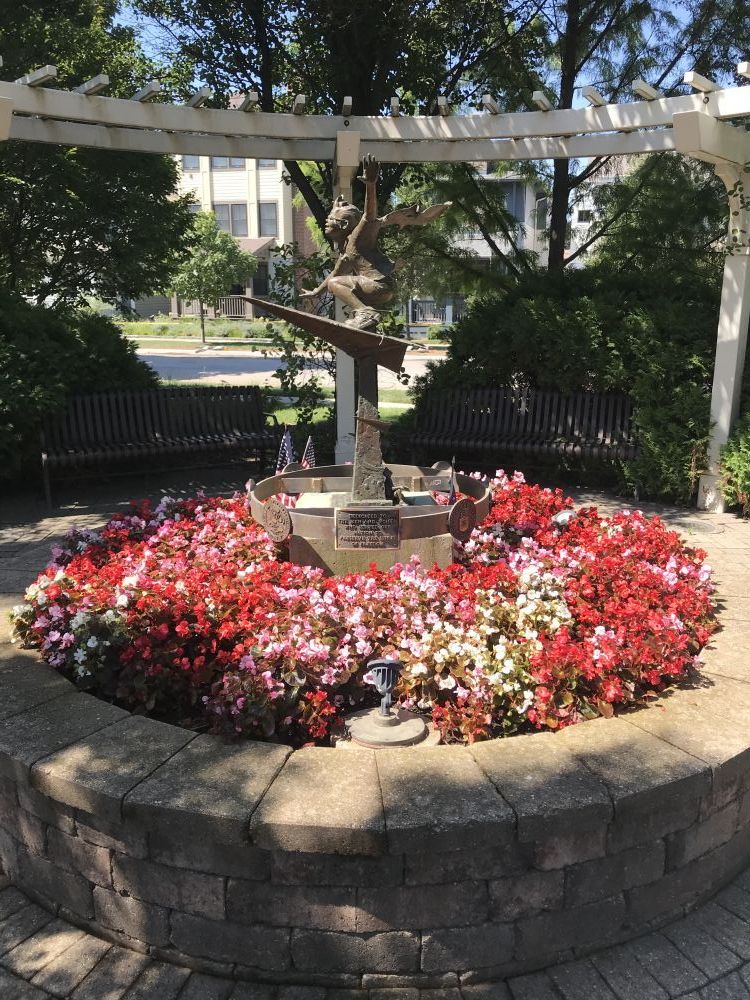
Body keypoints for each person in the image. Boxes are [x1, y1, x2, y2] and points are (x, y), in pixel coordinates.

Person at [300, 154, 449, 330]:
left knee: (337, 285)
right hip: (376, 287)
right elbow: (334, 275)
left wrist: (371, 185)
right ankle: (364, 317)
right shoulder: (347, 252)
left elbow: (369, 215)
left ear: (345, 224)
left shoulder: (358, 237)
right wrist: (316, 292)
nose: (326, 222)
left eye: (331, 220)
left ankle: (366, 313)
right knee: (338, 283)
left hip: (378, 285)